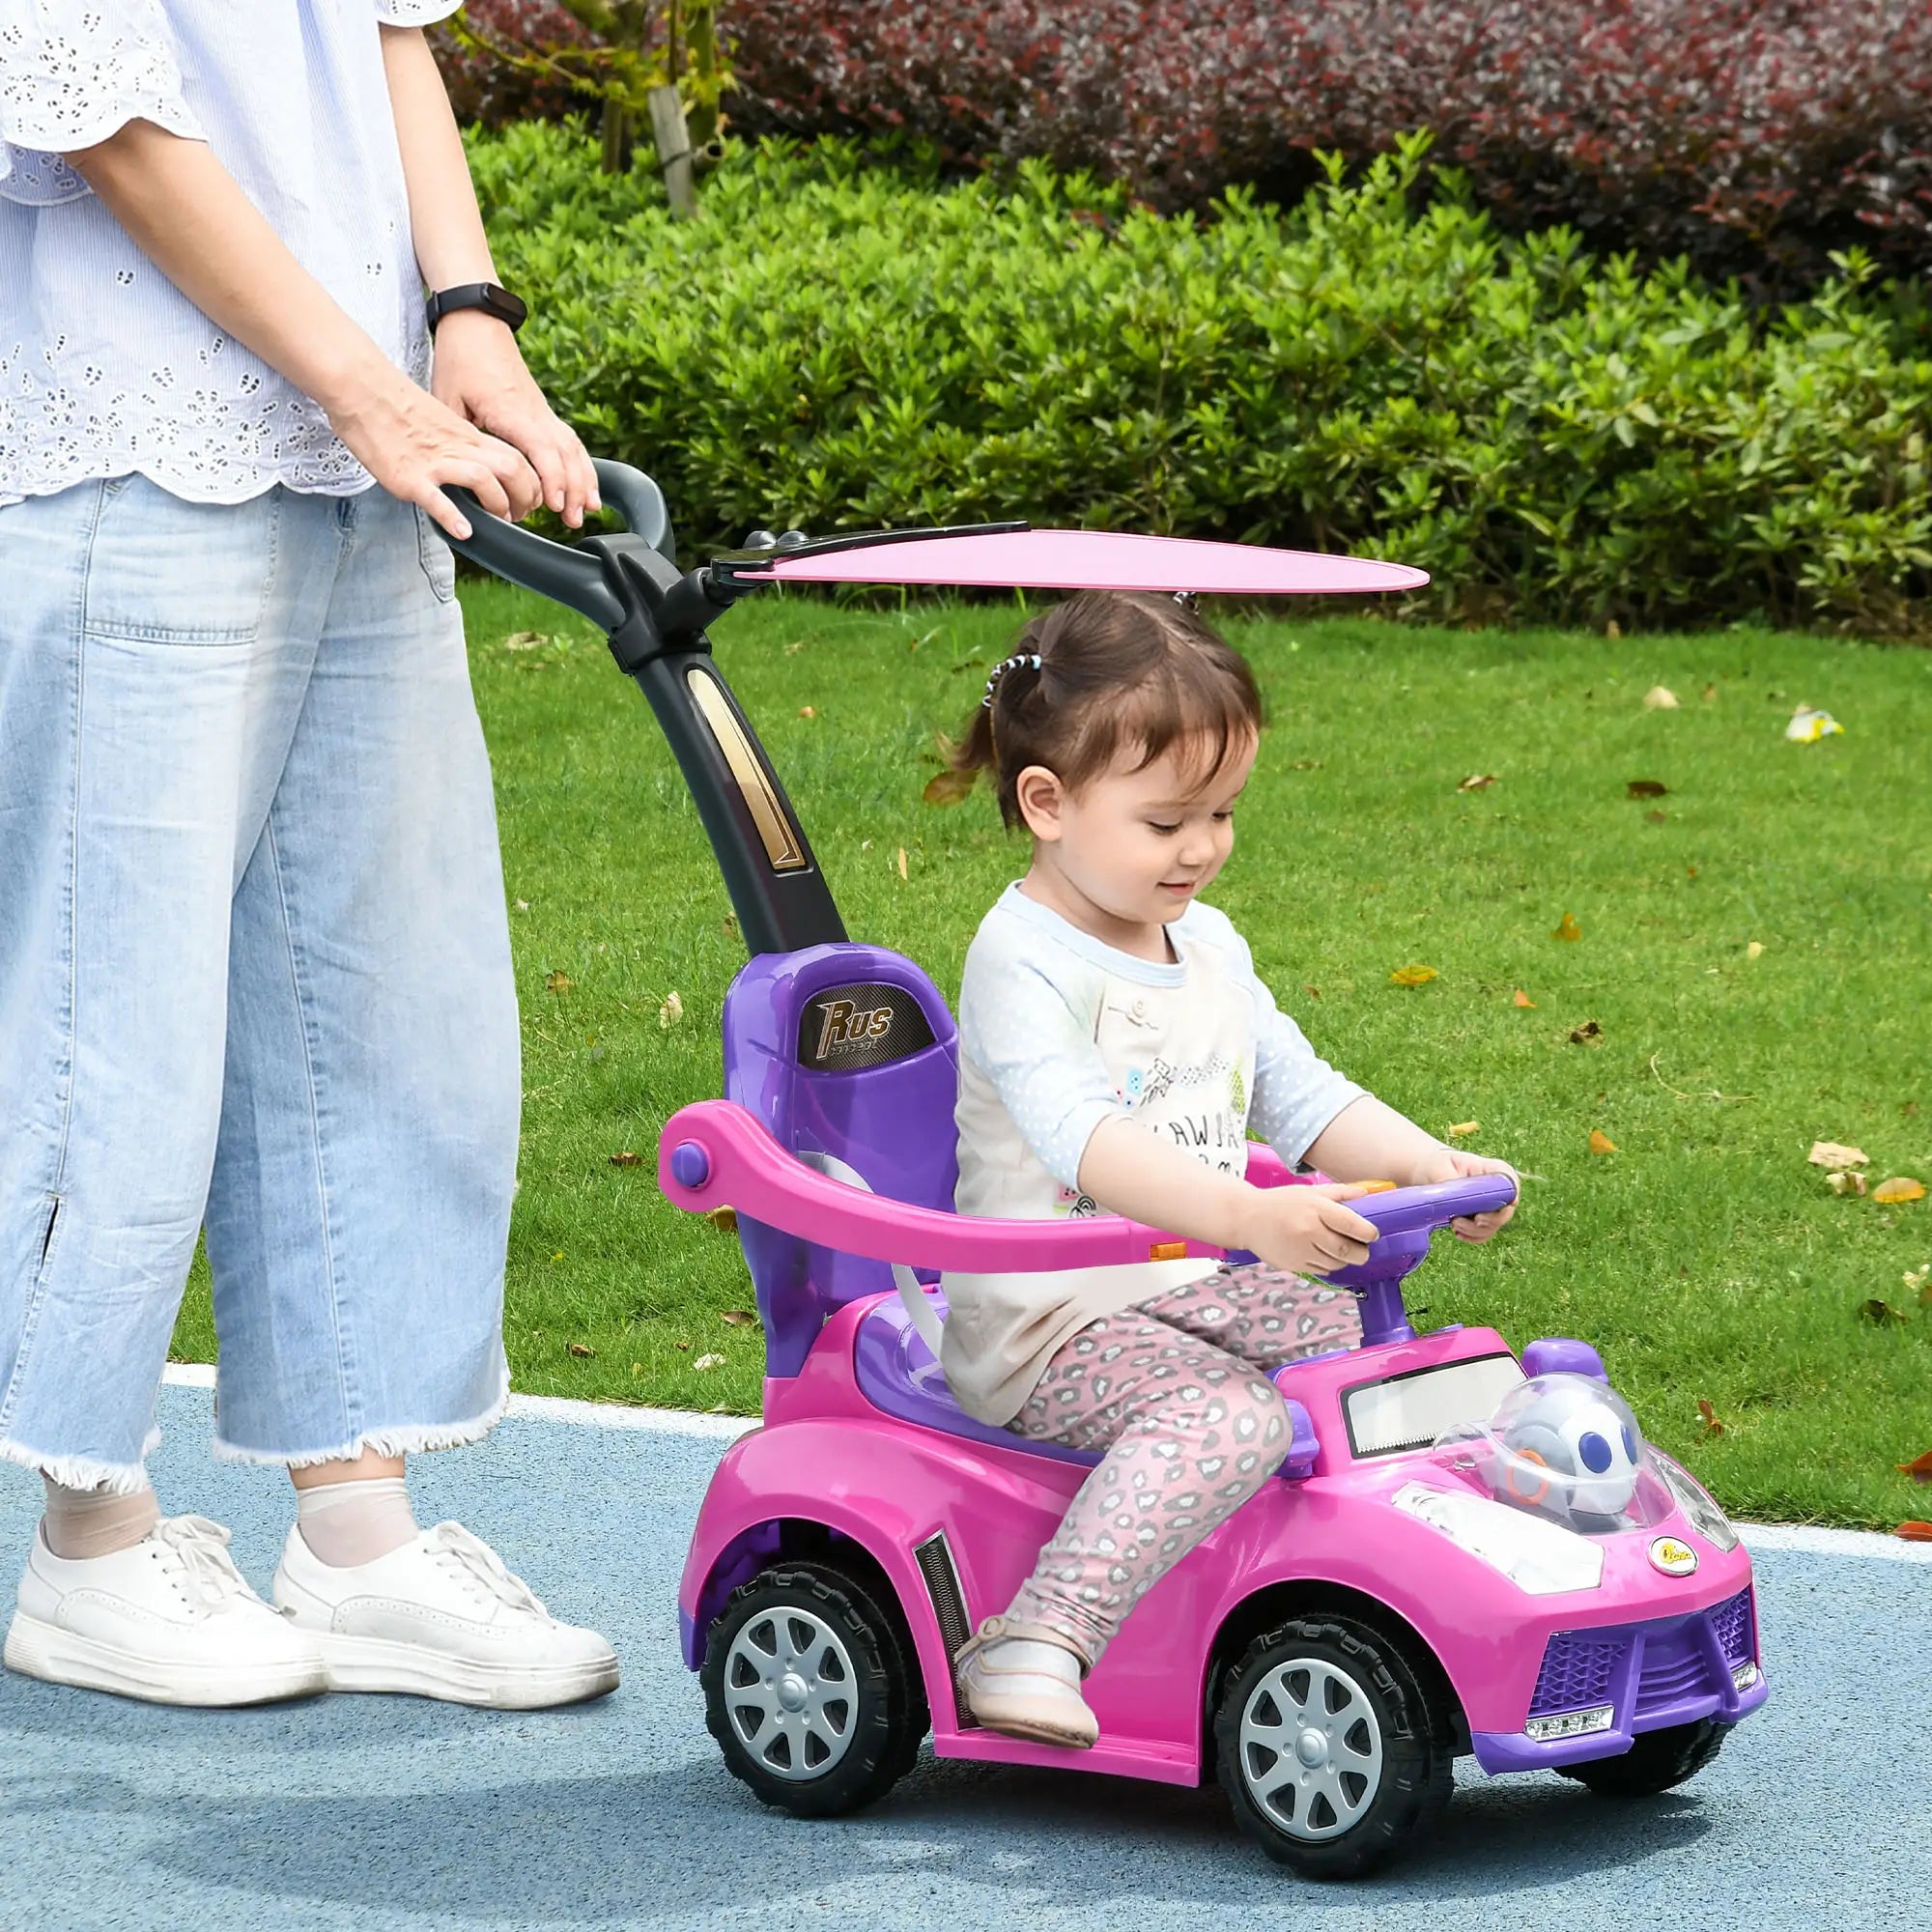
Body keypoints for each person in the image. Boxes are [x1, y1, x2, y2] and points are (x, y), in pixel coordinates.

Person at [0, 2, 619, 1710]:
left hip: (354, 460)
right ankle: (89, 1538)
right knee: (107, 1016)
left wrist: (466, 316)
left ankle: (357, 1538)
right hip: (133, 445)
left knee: (384, 996)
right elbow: (102, 114)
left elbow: (395, 31)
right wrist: (370, 390)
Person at [936, 591, 1518, 1748]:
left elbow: (1295, 1089)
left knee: (1365, 1359)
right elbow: (1088, 1143)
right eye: (1165, 822)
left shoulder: (1203, 938)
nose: (1200, 847)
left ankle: (1357, 1586)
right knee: (1227, 1414)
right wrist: (1252, 1217)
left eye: (1222, 812)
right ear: (1046, 802)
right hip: (1046, 1319)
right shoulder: (1023, 959)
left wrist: (1424, 1159)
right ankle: (1037, 1633)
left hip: (1179, 1278)